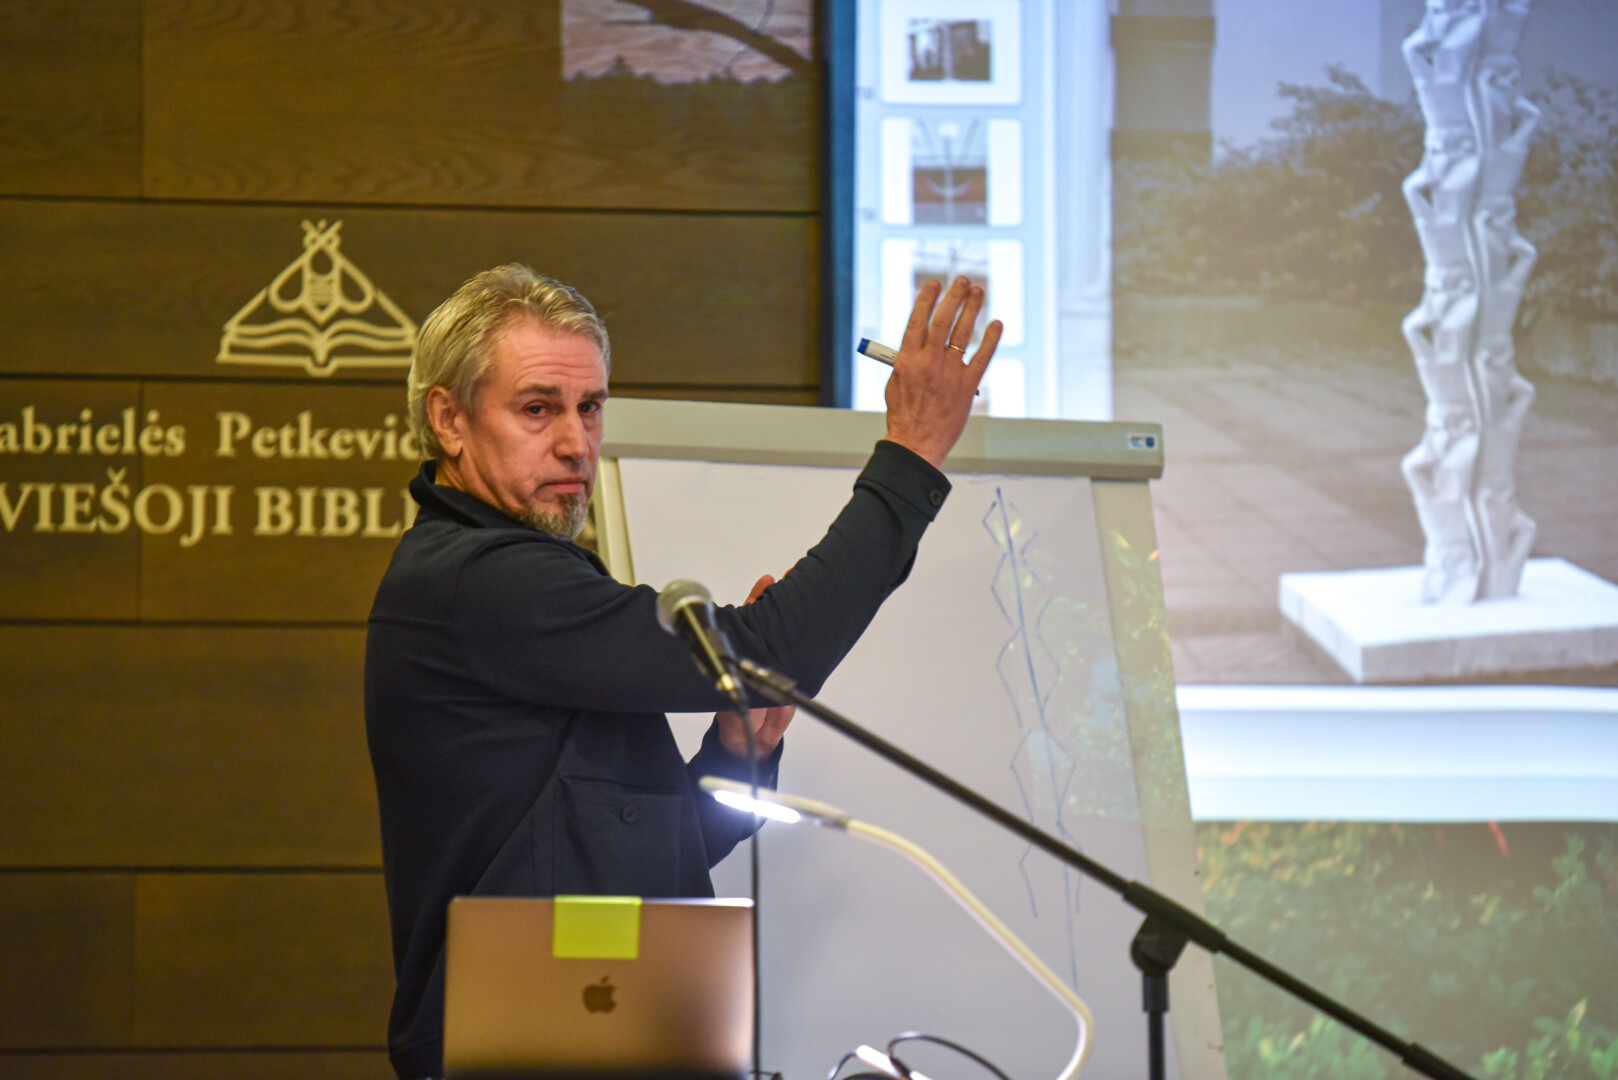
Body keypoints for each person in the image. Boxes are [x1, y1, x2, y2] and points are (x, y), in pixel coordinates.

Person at [365, 264, 999, 1079]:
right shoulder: (480, 580)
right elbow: (772, 648)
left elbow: (661, 850)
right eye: (538, 408)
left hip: (611, 1025)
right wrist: (913, 455)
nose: (575, 442)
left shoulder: (523, 581)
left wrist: (736, 752)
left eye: (590, 407)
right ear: (448, 419)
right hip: (523, 1043)